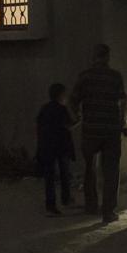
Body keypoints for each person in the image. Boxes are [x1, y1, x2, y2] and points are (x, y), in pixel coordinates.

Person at [71, 44, 127, 223]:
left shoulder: (84, 77)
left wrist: (78, 116)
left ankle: (91, 205)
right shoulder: (115, 77)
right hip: (110, 130)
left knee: (89, 168)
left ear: (93, 57)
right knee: (110, 170)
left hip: (90, 130)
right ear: (107, 57)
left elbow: (73, 100)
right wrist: (121, 121)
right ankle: (108, 211)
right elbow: (123, 100)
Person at [36, 83, 76, 215]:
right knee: (64, 173)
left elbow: (39, 125)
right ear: (61, 95)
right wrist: (79, 121)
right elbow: (68, 125)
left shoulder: (44, 109)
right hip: (61, 146)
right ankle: (66, 199)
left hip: (47, 146)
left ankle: (50, 203)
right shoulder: (61, 109)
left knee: (50, 176)